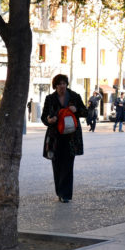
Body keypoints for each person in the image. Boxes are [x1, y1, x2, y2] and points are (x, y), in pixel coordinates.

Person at [41, 74, 86, 203]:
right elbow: (44, 117)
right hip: (55, 137)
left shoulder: (74, 96)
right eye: (59, 84)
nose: (62, 86)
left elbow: (85, 112)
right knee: (56, 164)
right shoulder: (50, 99)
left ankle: (65, 194)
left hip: (71, 137)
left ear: (67, 84)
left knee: (68, 165)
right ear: (55, 86)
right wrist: (49, 120)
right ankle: (59, 191)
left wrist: (76, 110)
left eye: (64, 83)